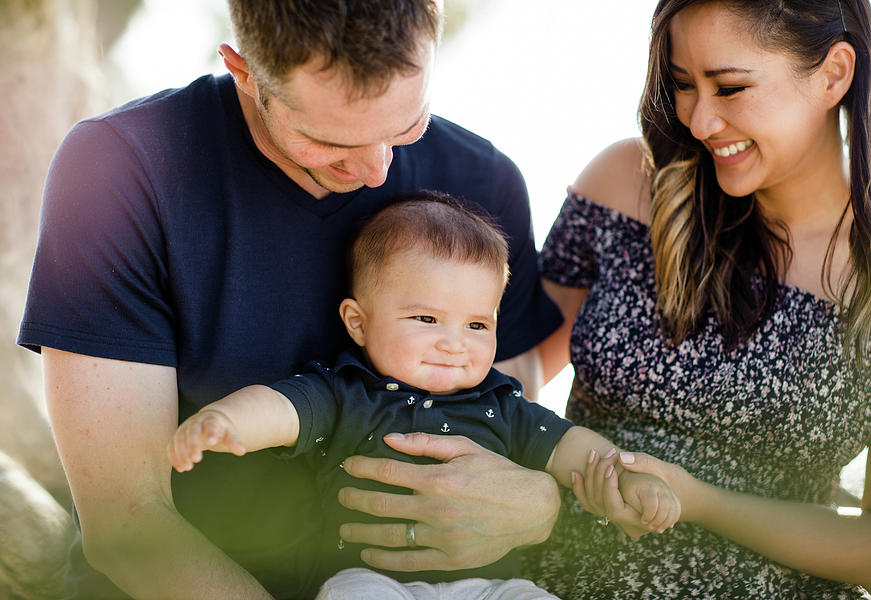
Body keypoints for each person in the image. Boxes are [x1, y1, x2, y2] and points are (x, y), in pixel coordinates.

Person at [16, 2, 567, 598]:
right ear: (242, 70)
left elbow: (502, 435)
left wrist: (544, 504)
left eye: (408, 125)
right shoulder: (121, 168)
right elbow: (129, 527)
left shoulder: (483, 183)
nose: (379, 171)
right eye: (328, 141)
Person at [525, 0, 871, 598]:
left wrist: (699, 503)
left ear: (833, 73)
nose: (698, 122)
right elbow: (513, 360)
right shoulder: (625, 183)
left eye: (729, 88)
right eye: (682, 85)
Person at [167, 194, 681, 599]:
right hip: (370, 581)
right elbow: (281, 410)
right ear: (358, 322)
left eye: (477, 323)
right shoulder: (347, 391)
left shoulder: (500, 402)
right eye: (426, 318)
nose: (454, 341)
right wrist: (225, 423)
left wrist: (626, 476)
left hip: (490, 587)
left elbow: (572, 447)